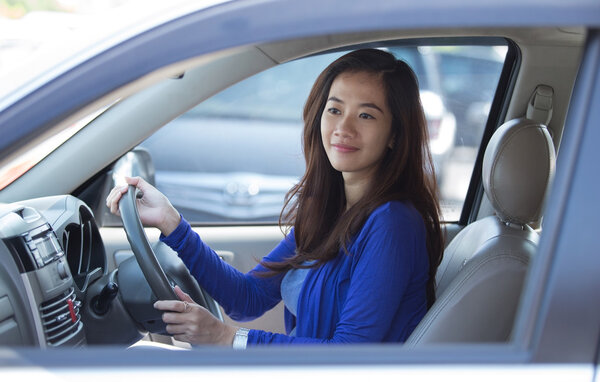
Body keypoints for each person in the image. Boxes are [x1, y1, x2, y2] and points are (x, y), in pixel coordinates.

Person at [106, 48, 444, 348]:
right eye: (335, 110)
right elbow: (247, 299)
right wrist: (171, 222)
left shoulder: (393, 222)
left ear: (395, 136)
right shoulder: (331, 212)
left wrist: (225, 337)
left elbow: (350, 355)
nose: (344, 127)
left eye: (366, 115)